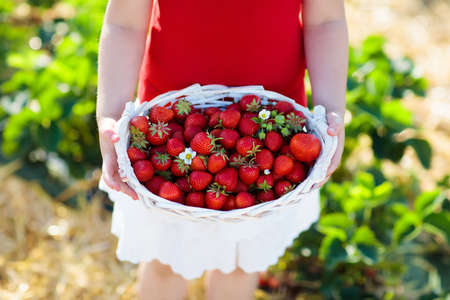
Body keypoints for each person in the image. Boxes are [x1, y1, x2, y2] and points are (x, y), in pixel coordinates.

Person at [96, 0, 347, 299]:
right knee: (165, 261)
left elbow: (325, 21)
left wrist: (331, 109)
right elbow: (124, 23)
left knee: (240, 262)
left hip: (272, 132)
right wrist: (110, 115)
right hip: (168, 130)